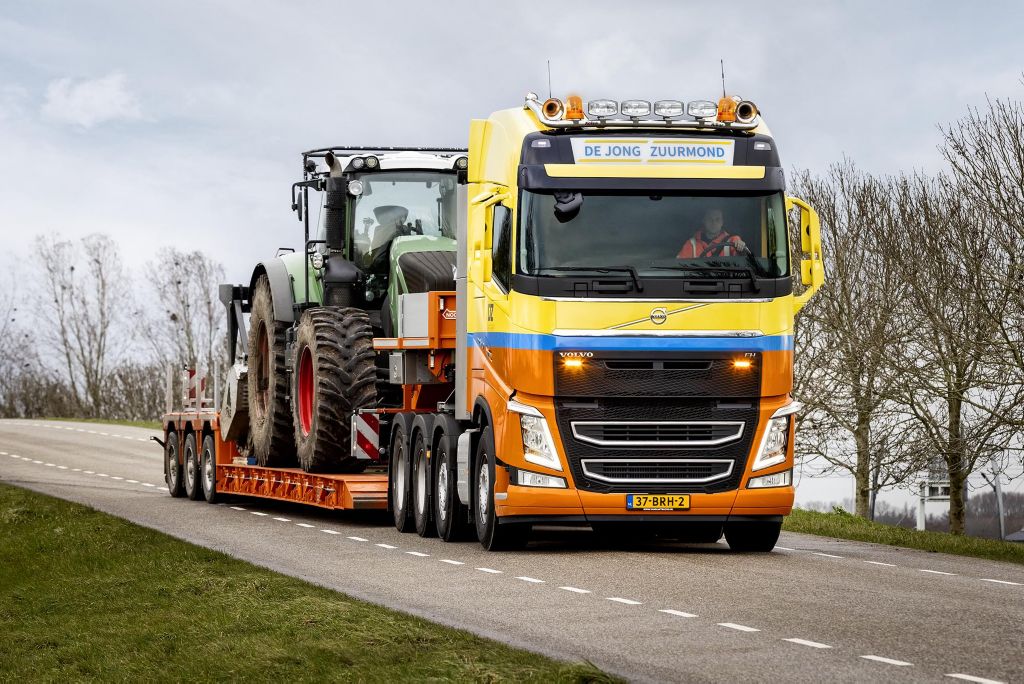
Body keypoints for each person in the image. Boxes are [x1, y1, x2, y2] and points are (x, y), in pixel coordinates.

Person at [677, 208, 748, 258]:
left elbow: (743, 261)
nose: (713, 223)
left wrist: (741, 247)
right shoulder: (691, 244)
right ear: (704, 221)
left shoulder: (733, 240)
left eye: (717, 219)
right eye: (710, 219)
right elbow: (679, 267)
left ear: (722, 222)